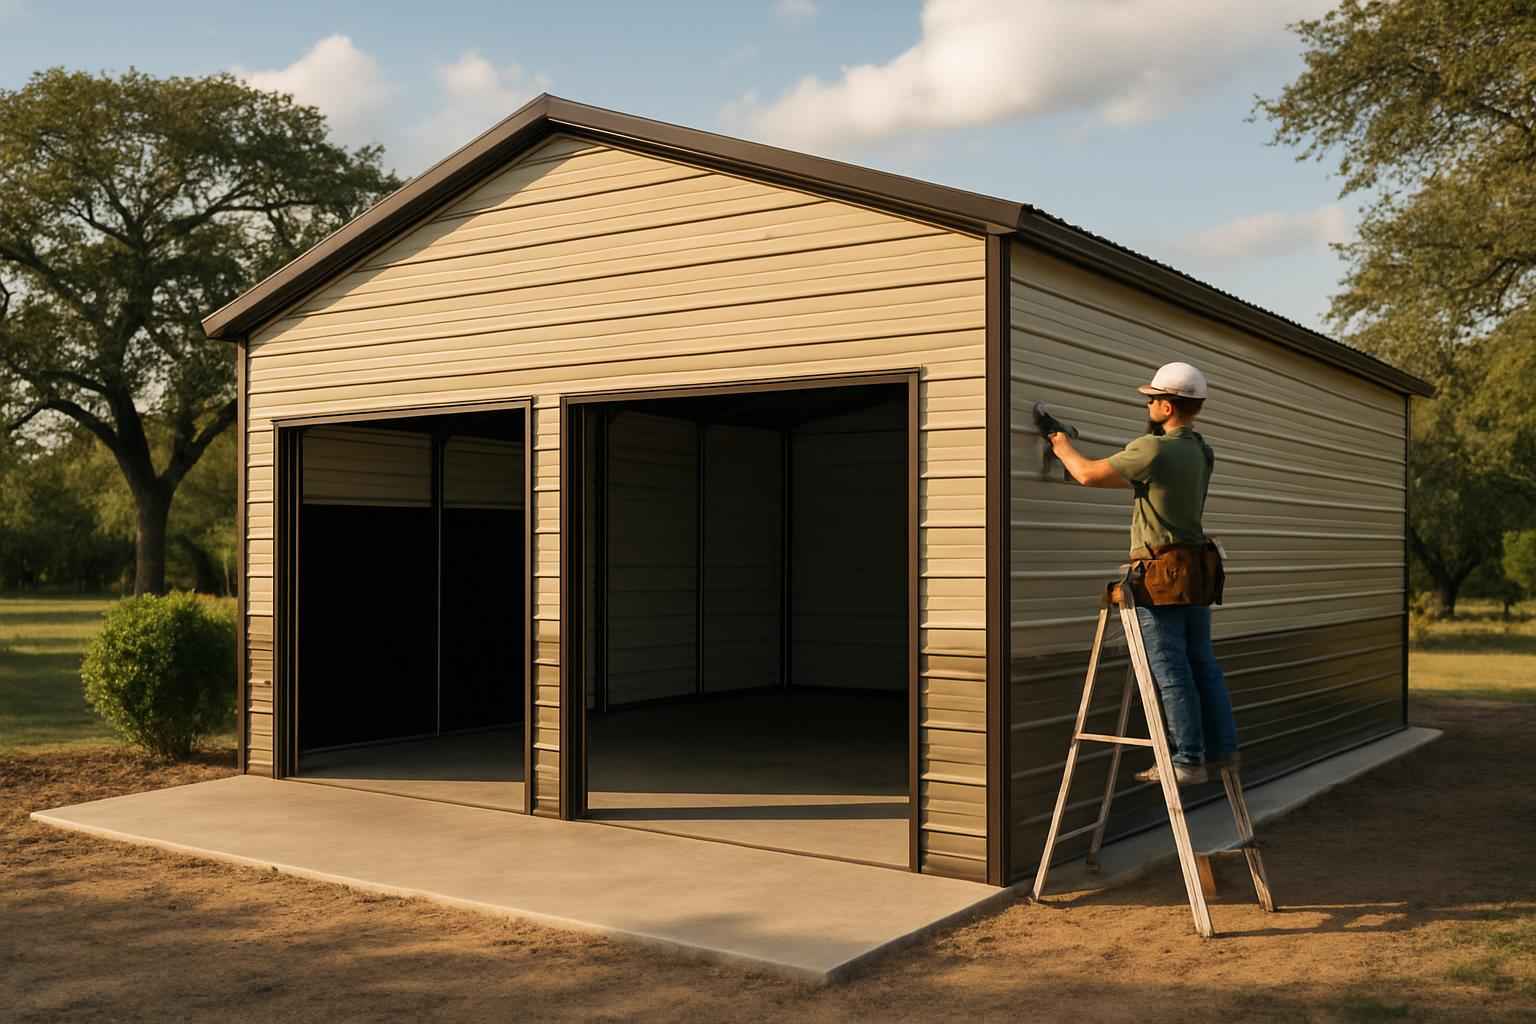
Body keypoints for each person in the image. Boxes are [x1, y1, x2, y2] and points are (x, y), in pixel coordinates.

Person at [1039, 361, 1238, 786]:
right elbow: (1143, 478)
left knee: (1170, 670)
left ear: (1167, 406)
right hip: (1195, 572)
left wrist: (1060, 444)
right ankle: (1222, 752)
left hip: (1160, 576)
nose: (1147, 405)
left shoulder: (1153, 450)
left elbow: (1088, 475)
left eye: (1151, 399)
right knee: (1202, 664)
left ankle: (1187, 760)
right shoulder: (1202, 450)